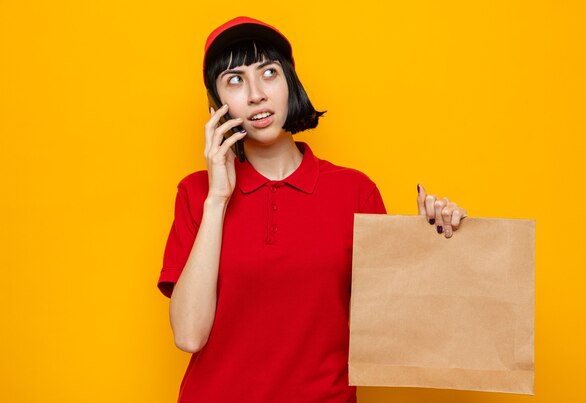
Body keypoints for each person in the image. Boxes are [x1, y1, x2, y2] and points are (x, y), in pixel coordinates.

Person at [157, 16, 468, 403]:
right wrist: (218, 199)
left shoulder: (355, 191)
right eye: (235, 80)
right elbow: (188, 335)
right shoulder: (196, 193)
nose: (256, 94)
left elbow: (396, 323)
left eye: (268, 73)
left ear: (290, 83)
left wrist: (437, 244)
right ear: (218, 105)